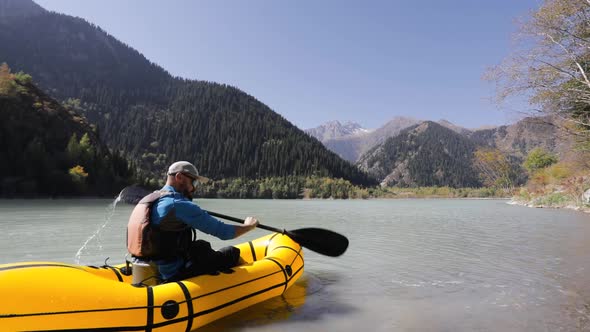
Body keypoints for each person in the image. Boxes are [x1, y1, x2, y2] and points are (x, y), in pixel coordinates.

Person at [127, 161, 258, 282]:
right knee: (231, 252)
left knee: (201, 246)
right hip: (172, 273)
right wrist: (248, 226)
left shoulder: (151, 199)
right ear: (179, 177)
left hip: (147, 266)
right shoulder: (178, 204)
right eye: (193, 183)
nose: (193, 189)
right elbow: (225, 233)